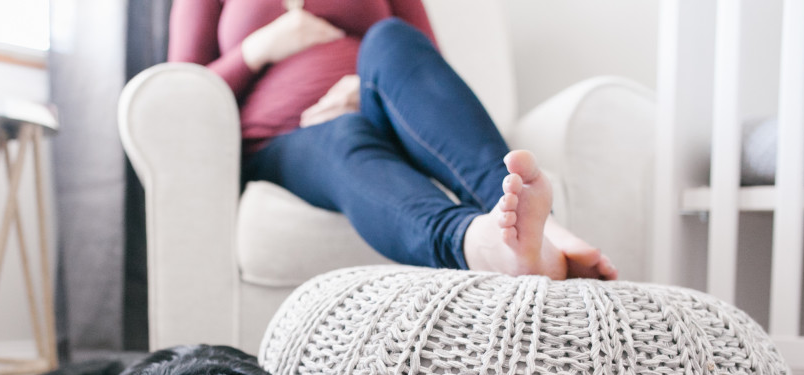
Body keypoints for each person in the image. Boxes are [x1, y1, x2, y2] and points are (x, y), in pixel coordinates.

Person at [168, 0, 617, 280]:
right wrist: (259, 47)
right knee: (343, 136)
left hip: (374, 107)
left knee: (391, 36)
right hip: (281, 139)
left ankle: (544, 230)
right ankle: (479, 242)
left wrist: (360, 85)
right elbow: (180, 93)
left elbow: (424, 65)